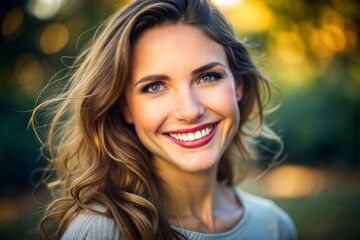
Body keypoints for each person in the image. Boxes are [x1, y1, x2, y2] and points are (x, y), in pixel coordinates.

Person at [32, 0, 297, 239]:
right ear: (126, 108)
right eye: (155, 86)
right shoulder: (100, 231)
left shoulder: (275, 226)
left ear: (237, 85)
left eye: (208, 77)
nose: (189, 111)